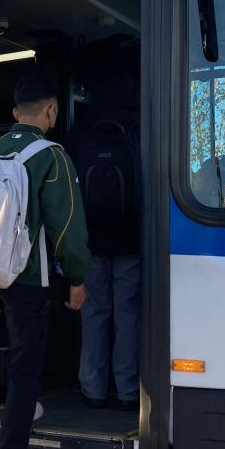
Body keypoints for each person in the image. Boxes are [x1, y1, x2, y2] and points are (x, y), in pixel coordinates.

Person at [0, 71, 91, 449]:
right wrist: (77, 277)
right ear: (51, 111)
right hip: (25, 276)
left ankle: (25, 408)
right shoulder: (50, 156)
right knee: (27, 360)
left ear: (16, 112)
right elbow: (67, 226)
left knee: (20, 347)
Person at [70, 74, 142, 412]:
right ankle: (128, 390)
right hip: (130, 240)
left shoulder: (85, 129)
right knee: (127, 315)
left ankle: (91, 389)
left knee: (93, 313)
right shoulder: (140, 125)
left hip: (92, 242)